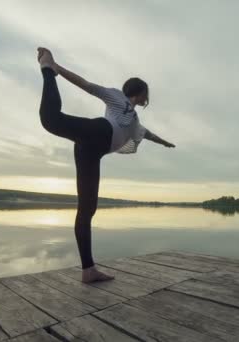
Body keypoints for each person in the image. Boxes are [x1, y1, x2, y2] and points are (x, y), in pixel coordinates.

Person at [37, 47, 175, 283]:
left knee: (88, 208)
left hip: (91, 151)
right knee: (51, 119)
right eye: (146, 94)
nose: (146, 98)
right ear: (140, 92)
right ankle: (47, 70)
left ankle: (88, 270)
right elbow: (87, 85)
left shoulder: (135, 120)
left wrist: (164, 143)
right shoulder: (115, 96)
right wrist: (57, 68)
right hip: (99, 131)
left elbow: (147, 134)